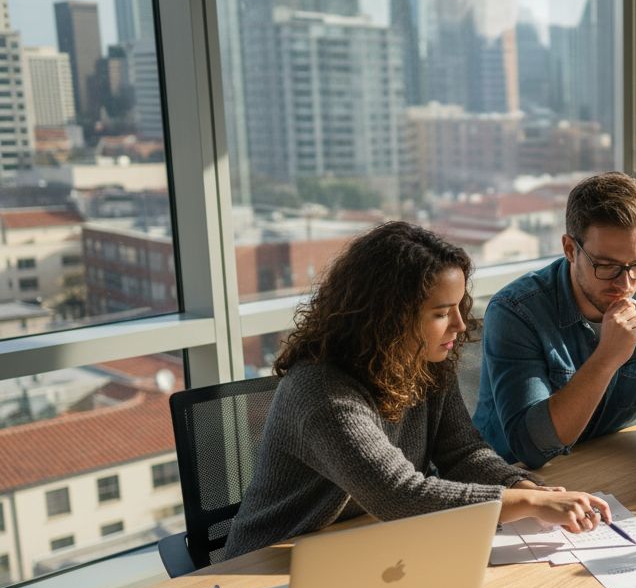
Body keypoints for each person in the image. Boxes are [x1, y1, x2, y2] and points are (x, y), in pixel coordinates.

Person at [226, 222, 611, 559]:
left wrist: (523, 486)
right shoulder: (322, 393)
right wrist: (528, 502)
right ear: (388, 318)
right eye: (442, 313)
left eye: (459, 306)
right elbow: (400, 494)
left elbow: (463, 454)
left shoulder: (423, 363)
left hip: (367, 548)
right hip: (269, 563)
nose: (460, 325)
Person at [473, 172, 636, 489]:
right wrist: (608, 357)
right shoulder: (516, 311)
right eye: (607, 266)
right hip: (517, 486)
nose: (626, 284)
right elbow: (531, 447)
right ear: (570, 249)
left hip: (611, 472)